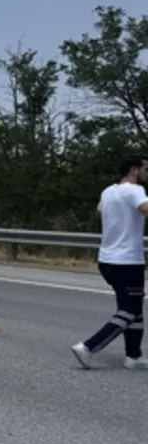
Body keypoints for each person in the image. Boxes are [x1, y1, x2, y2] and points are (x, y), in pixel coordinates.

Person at [72, 154, 148, 369]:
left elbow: (99, 214)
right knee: (129, 311)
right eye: (145, 169)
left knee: (132, 308)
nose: (146, 174)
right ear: (133, 170)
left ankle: (133, 356)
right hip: (127, 261)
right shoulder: (135, 191)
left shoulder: (108, 191)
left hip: (107, 259)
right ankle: (88, 347)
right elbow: (145, 209)